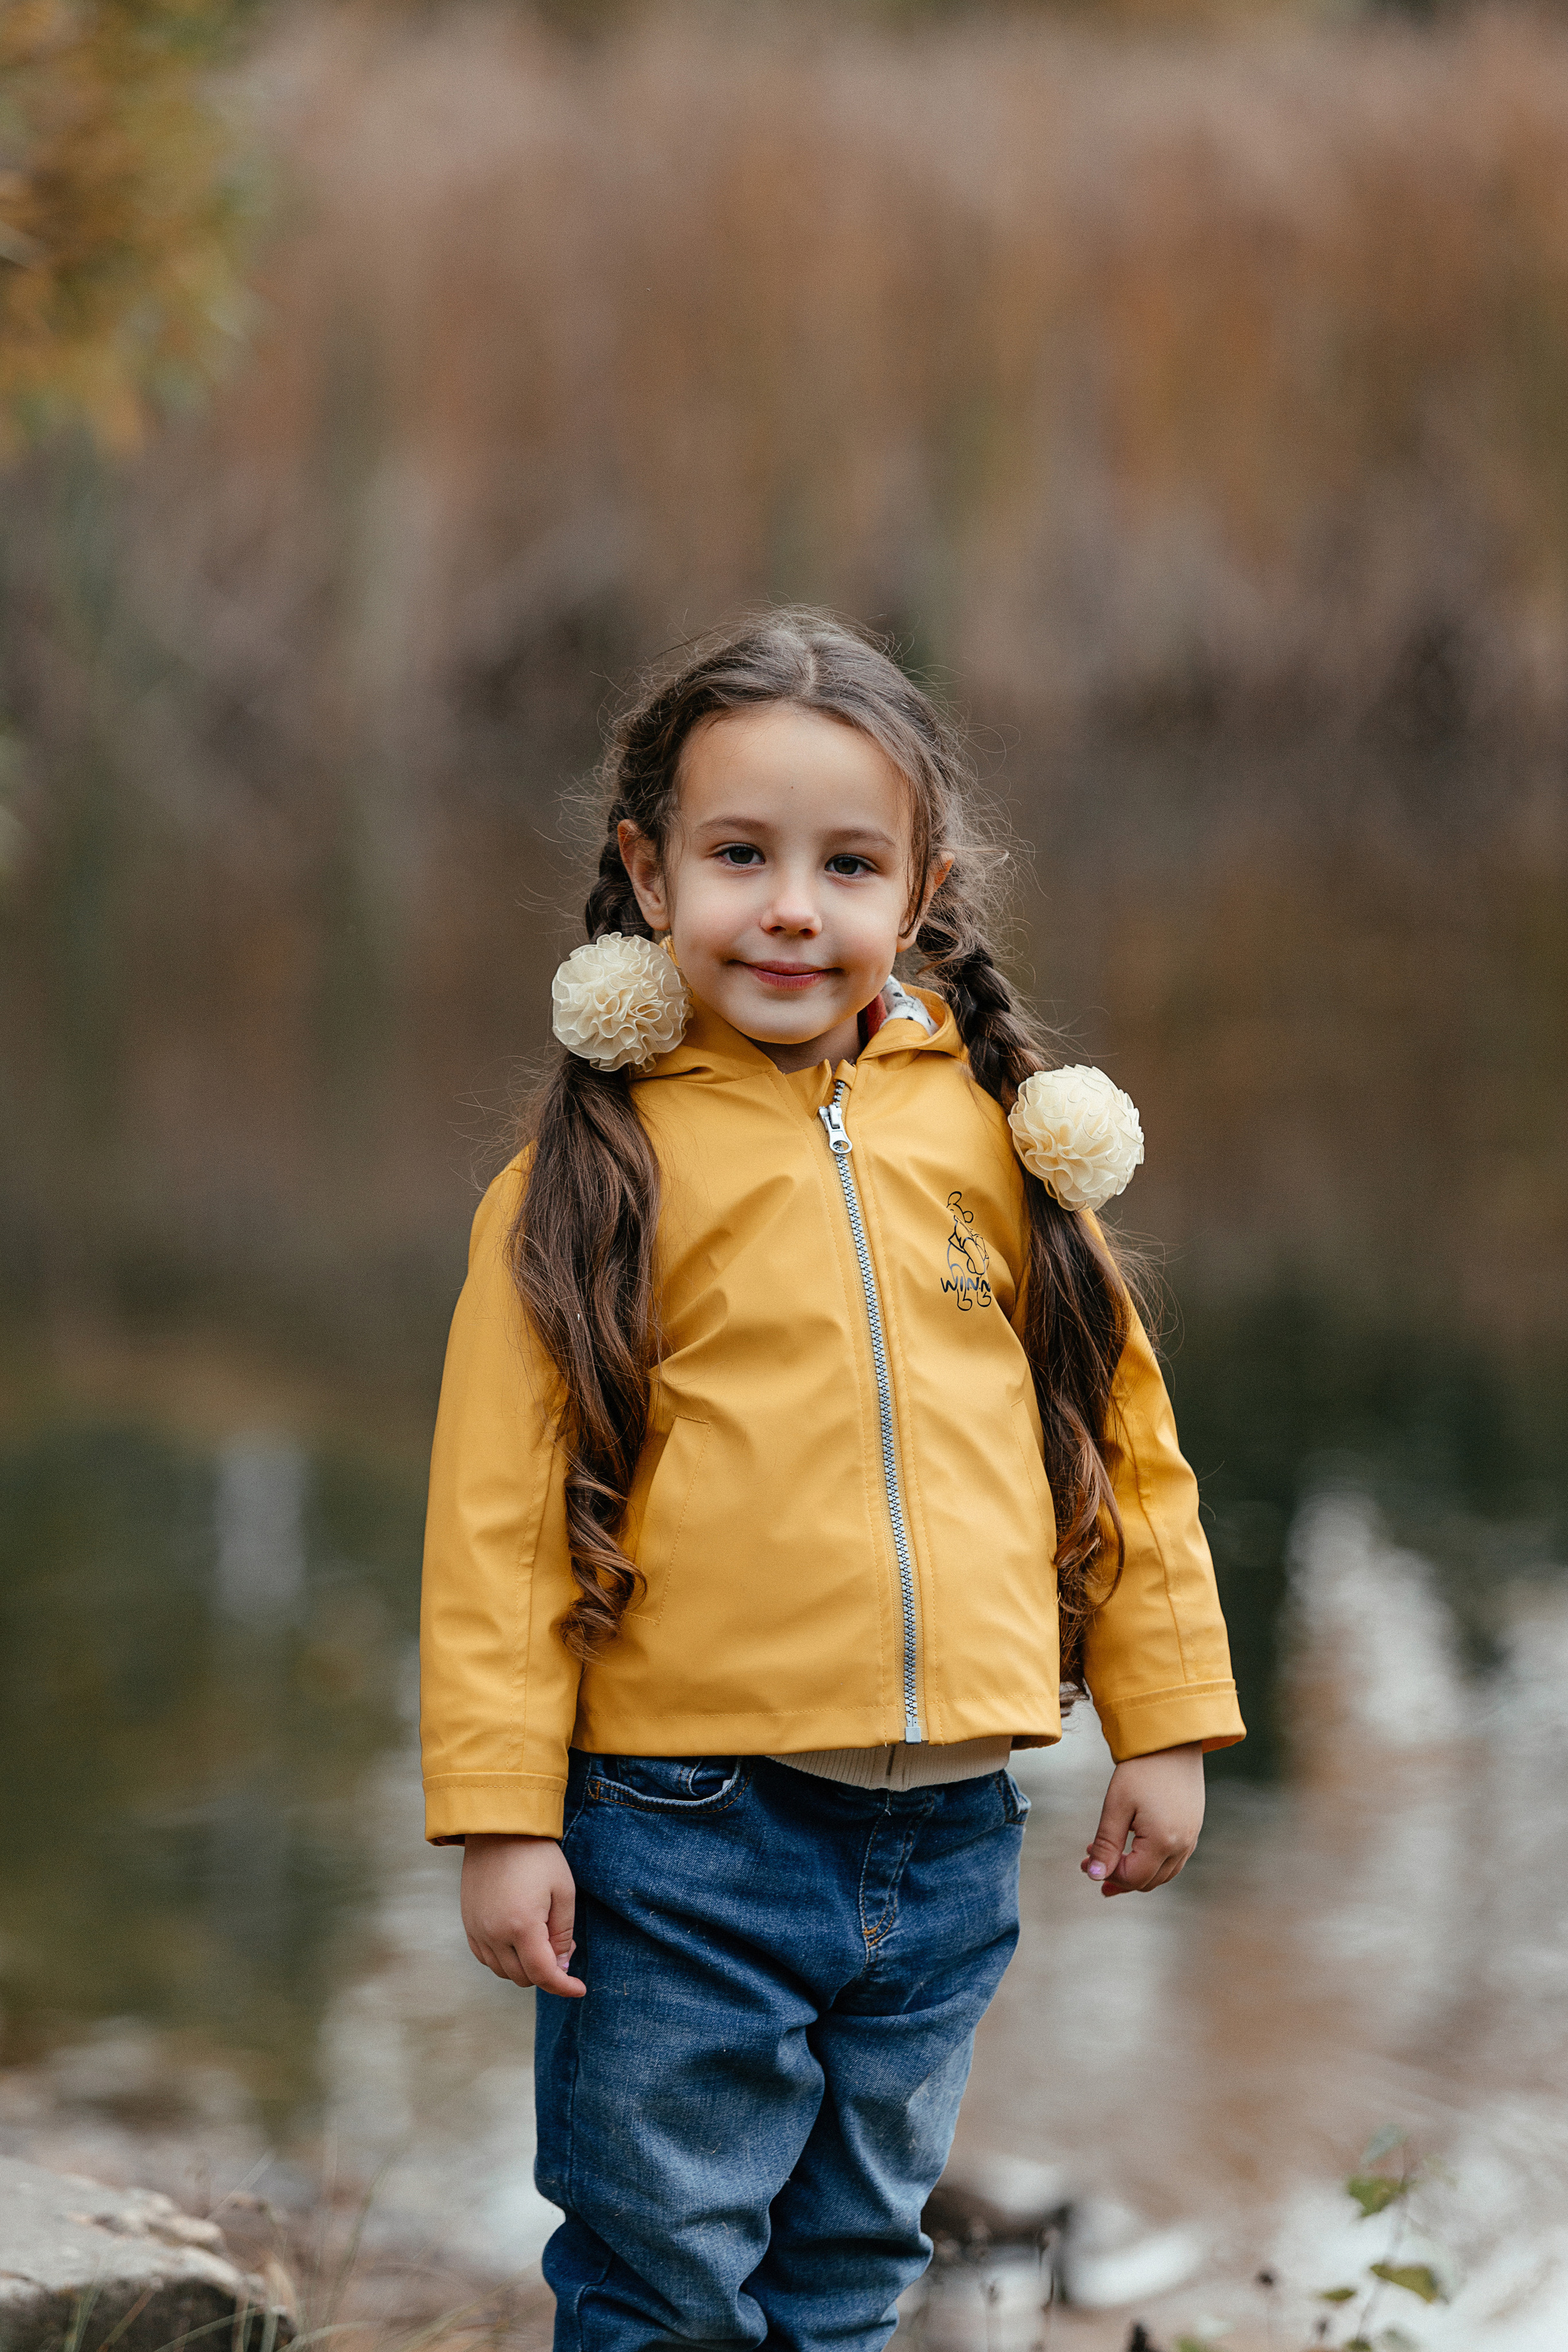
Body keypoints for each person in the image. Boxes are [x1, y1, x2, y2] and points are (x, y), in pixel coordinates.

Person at [419, 610, 1244, 2352]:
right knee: (661, 2270)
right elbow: (495, 1529)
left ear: (920, 887)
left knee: (857, 2271)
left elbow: (1122, 1450)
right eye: (740, 856)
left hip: (949, 1838)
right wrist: (503, 1815)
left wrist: (1156, 1720)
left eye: (846, 863)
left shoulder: (1003, 1147)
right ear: (648, 874)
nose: (792, 906)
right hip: (680, 1833)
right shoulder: (597, 1176)